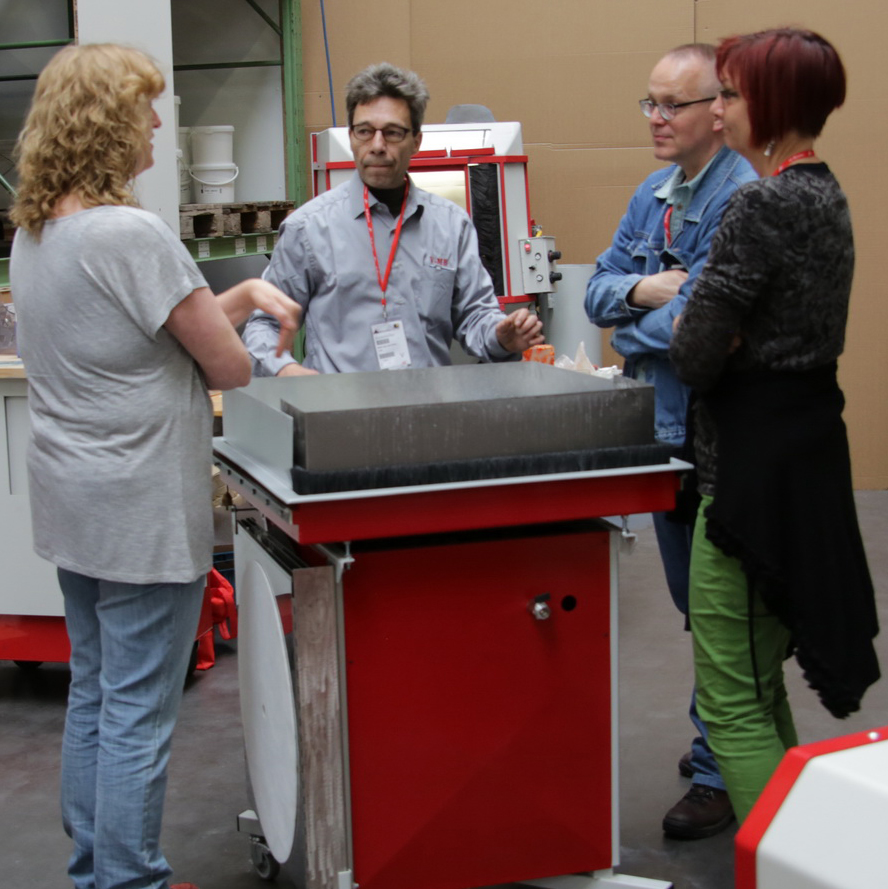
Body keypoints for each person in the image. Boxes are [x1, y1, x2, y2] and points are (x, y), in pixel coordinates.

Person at [9, 44, 301, 889]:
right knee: (139, 705)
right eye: (146, 108)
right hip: (141, 507)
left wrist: (237, 296)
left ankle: (96, 868)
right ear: (107, 124)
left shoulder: (38, 233)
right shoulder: (132, 233)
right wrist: (254, 326)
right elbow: (228, 367)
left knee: (97, 690)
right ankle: (131, 878)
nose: (158, 123)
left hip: (74, 501)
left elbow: (137, 332)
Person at [670, 28, 880, 825]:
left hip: (746, 483)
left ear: (774, 103)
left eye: (730, 94)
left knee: (730, 702)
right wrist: (714, 327)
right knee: (758, 688)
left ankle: (784, 859)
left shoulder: (760, 203)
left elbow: (693, 353)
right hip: (802, 461)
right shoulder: (827, 196)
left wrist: (696, 320)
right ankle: (800, 847)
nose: (718, 110)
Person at [585, 43, 755, 839]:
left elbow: (701, 328)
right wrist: (648, 289)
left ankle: (721, 769)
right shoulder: (652, 194)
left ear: (717, 109)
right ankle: (720, 734)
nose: (655, 119)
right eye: (648, 103)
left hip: (718, 436)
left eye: (671, 105)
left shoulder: (739, 200)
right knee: (694, 599)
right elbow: (595, 292)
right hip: (666, 433)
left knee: (722, 610)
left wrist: (632, 328)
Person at [242, 62, 543, 376]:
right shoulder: (308, 229)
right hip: (339, 403)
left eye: (393, 133)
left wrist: (501, 338)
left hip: (427, 402)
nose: (377, 146)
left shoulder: (452, 226)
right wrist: (285, 370)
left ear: (416, 141)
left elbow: (475, 315)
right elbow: (264, 324)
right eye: (364, 131)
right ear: (351, 137)